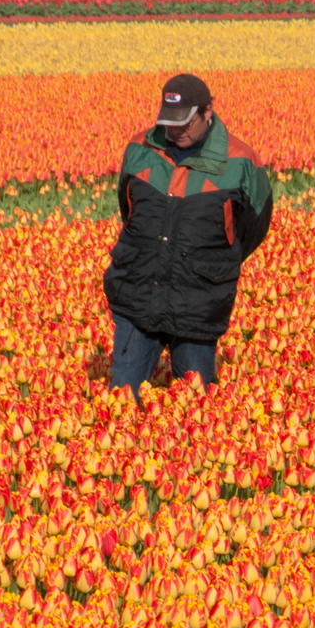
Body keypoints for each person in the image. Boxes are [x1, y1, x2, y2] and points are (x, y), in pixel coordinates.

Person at [103, 74, 273, 391]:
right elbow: (129, 211)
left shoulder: (240, 162)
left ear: (207, 112)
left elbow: (254, 226)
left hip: (197, 301)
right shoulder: (140, 149)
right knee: (123, 401)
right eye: (170, 122)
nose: (176, 130)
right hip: (138, 293)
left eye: (185, 123)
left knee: (195, 413)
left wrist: (215, 262)